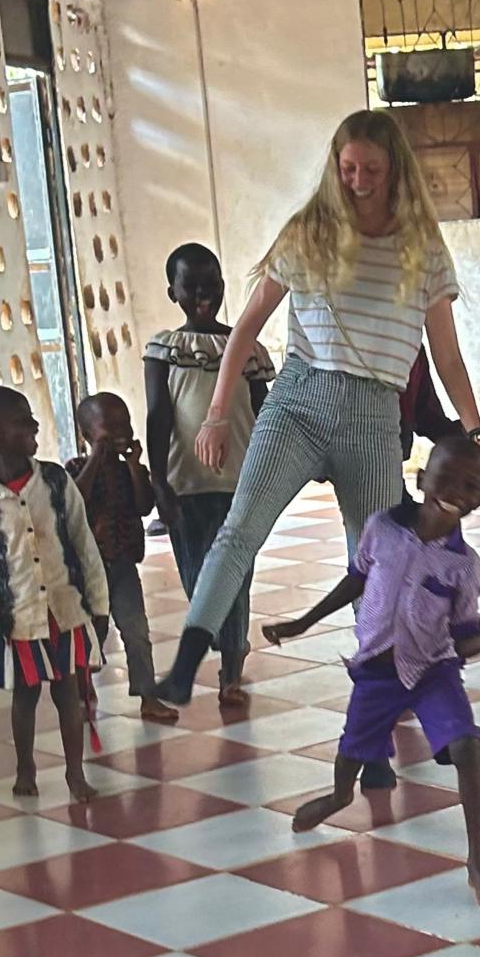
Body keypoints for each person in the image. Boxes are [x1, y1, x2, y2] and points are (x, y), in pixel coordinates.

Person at [156, 109, 480, 704]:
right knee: (239, 532)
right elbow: (247, 327)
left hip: (372, 413)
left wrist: (476, 433)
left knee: (379, 557)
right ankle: (184, 667)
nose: (359, 180)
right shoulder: (307, 231)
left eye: (373, 170)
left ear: (396, 172)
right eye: (348, 168)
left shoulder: (422, 249)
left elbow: (447, 356)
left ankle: (378, 687)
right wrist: (216, 412)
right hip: (297, 400)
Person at [263, 437, 480, 906]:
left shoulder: (463, 567)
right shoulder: (381, 528)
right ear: (421, 479)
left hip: (433, 671)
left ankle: (477, 861)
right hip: (376, 672)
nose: (456, 491)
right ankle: (339, 797)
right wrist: (302, 622)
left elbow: (464, 639)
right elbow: (356, 577)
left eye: (472, 486)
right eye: (446, 478)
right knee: (352, 756)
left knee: (468, 748)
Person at [0, 386, 108, 801]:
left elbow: (83, 544)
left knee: (68, 693)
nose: (33, 425)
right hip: (17, 614)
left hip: (63, 609)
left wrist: (98, 604)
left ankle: (75, 774)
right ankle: (26, 767)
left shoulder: (56, 481)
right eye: (21, 421)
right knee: (24, 696)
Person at [144, 243, 276, 707]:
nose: (203, 295)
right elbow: (158, 417)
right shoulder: (165, 348)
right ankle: (224, 641)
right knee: (198, 579)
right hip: (186, 488)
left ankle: (231, 674)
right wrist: (159, 482)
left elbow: (267, 414)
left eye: (212, 285)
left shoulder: (247, 347)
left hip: (240, 485)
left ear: (224, 287)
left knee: (236, 578)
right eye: (190, 286)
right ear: (172, 292)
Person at [67, 393, 178, 723]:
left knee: (136, 630)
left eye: (125, 425)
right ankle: (83, 692)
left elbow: (144, 506)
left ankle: (147, 695)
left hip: (123, 564)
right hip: (87, 571)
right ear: (88, 436)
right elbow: (76, 504)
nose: (120, 433)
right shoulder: (74, 469)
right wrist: (94, 461)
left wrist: (133, 467)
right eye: (108, 429)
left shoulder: (132, 471)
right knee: (91, 636)